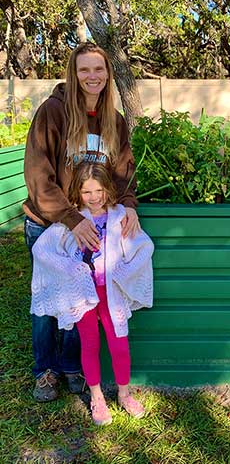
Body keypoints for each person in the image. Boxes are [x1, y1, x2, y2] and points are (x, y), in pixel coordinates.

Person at [23, 42, 140, 402]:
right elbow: (39, 173)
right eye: (85, 69)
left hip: (89, 226)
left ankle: (73, 366)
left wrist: (130, 203)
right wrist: (71, 218)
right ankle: (45, 370)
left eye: (99, 69)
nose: (93, 76)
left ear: (108, 74)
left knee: (81, 299)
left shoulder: (112, 121)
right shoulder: (53, 113)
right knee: (47, 302)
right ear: (74, 74)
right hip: (51, 223)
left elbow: (122, 172)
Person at [30, 162, 154, 425]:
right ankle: (97, 398)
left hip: (111, 293)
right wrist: (72, 270)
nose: (94, 197)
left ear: (108, 189)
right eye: (87, 192)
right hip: (84, 294)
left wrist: (122, 273)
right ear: (78, 192)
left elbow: (144, 246)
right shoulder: (72, 220)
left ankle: (124, 394)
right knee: (90, 344)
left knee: (119, 343)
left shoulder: (120, 216)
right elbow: (42, 249)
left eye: (98, 191)